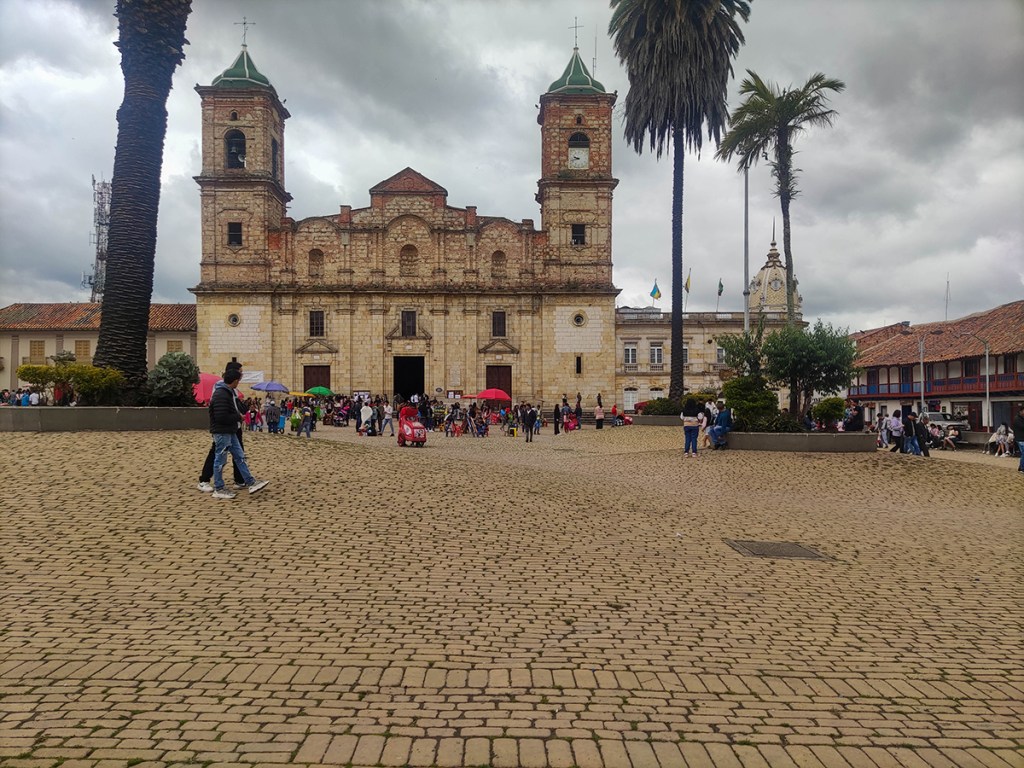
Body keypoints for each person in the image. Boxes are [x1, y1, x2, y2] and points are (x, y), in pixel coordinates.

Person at [208, 368, 268, 499]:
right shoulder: (221, 394)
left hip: (230, 430)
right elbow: (221, 416)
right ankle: (219, 488)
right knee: (220, 460)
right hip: (222, 431)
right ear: (235, 381)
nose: (238, 384)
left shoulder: (228, 393)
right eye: (238, 381)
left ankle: (251, 482)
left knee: (240, 457)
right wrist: (238, 417)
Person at [198, 361, 246, 492]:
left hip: (234, 426)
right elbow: (222, 410)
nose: (242, 375)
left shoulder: (233, 389)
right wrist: (237, 416)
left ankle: (240, 479)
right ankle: (204, 480)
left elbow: (236, 406)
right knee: (217, 453)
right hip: (223, 427)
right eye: (240, 372)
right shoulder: (221, 387)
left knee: (239, 453)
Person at [1012, 405, 1024, 474]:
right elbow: (1022, 427)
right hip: (1020, 439)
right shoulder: (1017, 419)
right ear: (1021, 411)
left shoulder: (1022, 418)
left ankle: (1020, 467)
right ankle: (1022, 468)